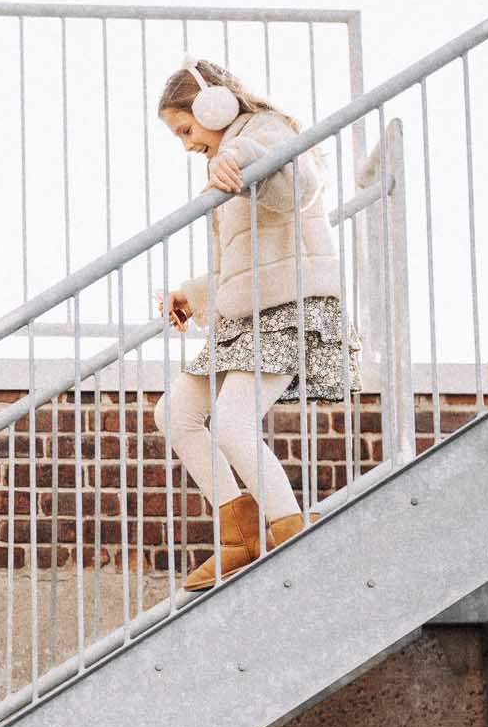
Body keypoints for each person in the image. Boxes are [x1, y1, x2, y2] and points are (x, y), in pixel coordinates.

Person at [152, 55, 355, 593]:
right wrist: (191, 296)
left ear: (213, 106)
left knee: (233, 420)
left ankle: (290, 531)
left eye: (187, 129)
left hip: (289, 307)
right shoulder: (226, 160)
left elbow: (298, 191)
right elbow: (237, 268)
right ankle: (239, 534)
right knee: (175, 412)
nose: (187, 144)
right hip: (249, 313)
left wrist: (241, 162)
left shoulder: (266, 130)